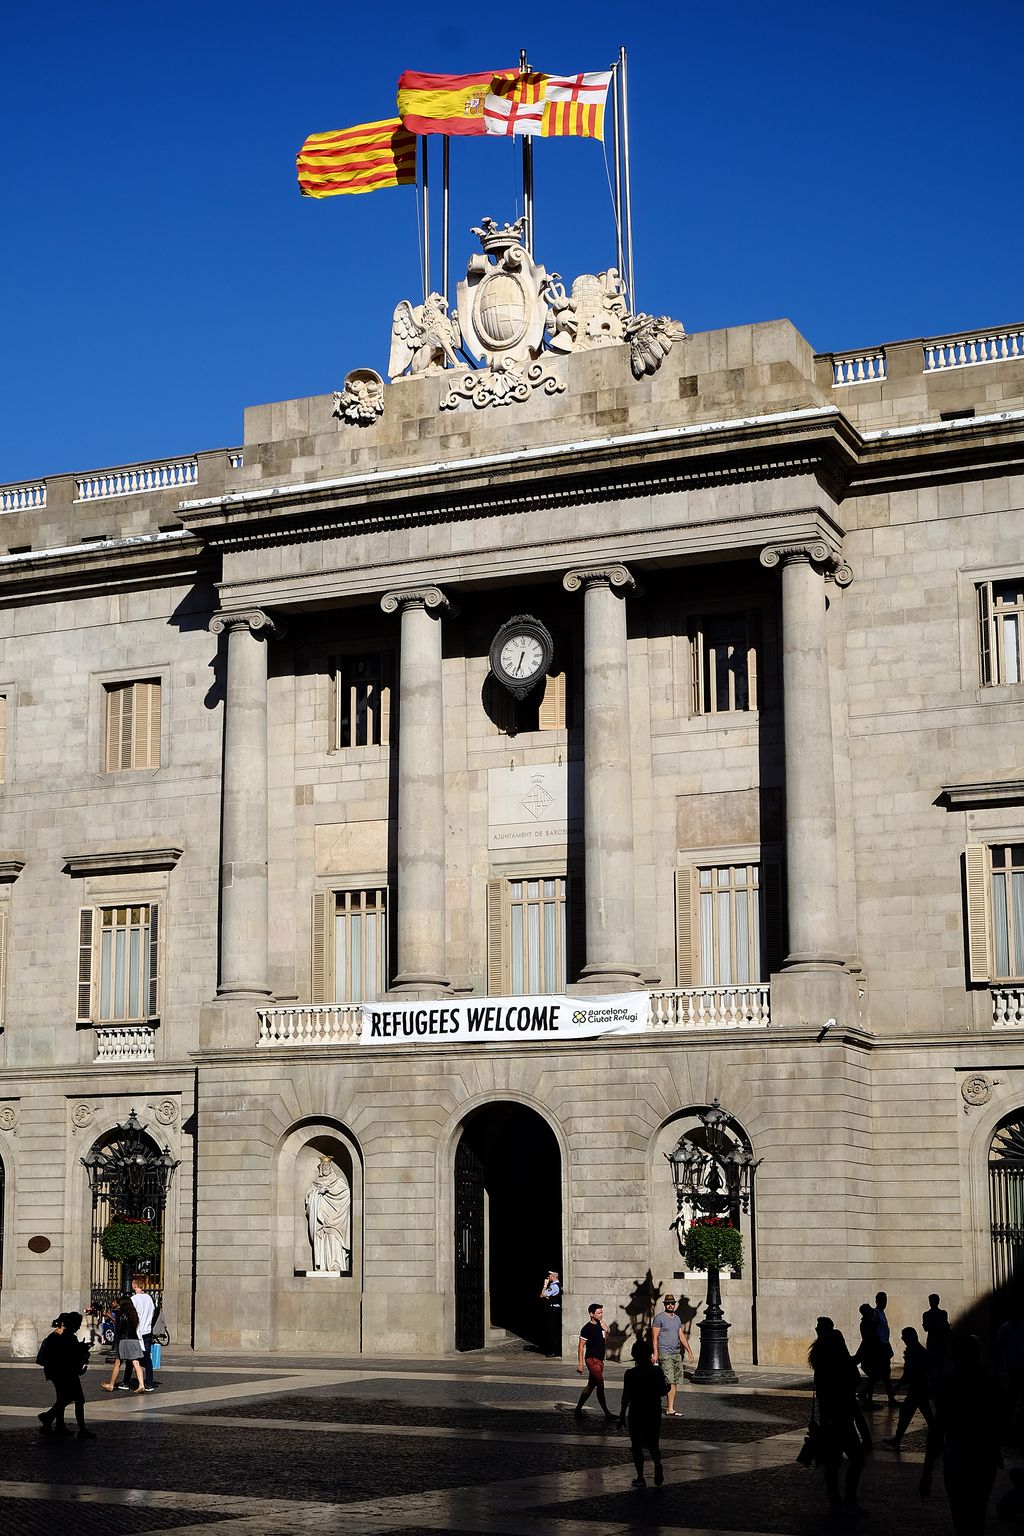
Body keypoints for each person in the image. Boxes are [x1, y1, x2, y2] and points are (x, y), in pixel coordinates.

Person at [921, 1333, 1005, 1535]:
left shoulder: (949, 1384)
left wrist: (927, 1471)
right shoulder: (990, 1381)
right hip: (983, 1454)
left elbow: (937, 1428)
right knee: (978, 1511)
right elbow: (999, 1421)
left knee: (960, 1512)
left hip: (958, 1453)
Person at [809, 1316, 866, 1516]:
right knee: (856, 1459)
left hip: (829, 1421)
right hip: (841, 1421)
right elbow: (851, 1391)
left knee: (833, 1465)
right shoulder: (839, 1367)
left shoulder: (821, 1366)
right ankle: (848, 1500)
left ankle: (837, 1501)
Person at [617, 1339, 668, 1488]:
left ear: (634, 1356)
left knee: (637, 1445)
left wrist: (621, 1415)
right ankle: (657, 1463)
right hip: (653, 1411)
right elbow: (662, 1391)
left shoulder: (630, 1374)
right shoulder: (657, 1371)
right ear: (649, 1354)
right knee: (653, 1443)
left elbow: (625, 1396)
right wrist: (667, 1387)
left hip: (636, 1412)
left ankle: (640, 1477)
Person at [37, 1312, 93, 1438]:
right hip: (67, 1373)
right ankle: (80, 1428)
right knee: (78, 1399)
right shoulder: (69, 1338)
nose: (79, 1327)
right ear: (72, 1325)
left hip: (56, 1372)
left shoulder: (59, 1336)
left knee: (62, 1398)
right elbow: (71, 1357)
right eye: (77, 1325)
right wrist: (83, 1350)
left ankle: (57, 1425)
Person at [882, 1327, 934, 1450]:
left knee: (906, 1413)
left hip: (917, 1388)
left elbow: (909, 1373)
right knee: (926, 1415)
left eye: (904, 1336)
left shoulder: (914, 1352)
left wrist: (897, 1387)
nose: (902, 1338)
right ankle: (897, 1440)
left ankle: (897, 1440)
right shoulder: (918, 1350)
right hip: (921, 1387)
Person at [651, 1293, 694, 1417]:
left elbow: (681, 1335)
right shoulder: (659, 1318)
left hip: (676, 1354)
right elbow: (654, 1337)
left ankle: (670, 1408)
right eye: (668, 1303)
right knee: (668, 1381)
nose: (670, 1305)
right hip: (664, 1353)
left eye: (672, 1303)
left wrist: (689, 1350)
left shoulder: (677, 1319)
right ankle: (654, 1401)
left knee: (674, 1381)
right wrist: (655, 1353)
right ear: (665, 1304)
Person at [575, 1303, 615, 1422]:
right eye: (599, 1313)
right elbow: (581, 1347)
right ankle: (607, 1413)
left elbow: (604, 1342)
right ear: (591, 1314)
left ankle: (577, 1410)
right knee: (600, 1385)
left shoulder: (600, 1325)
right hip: (592, 1360)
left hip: (600, 1360)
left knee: (591, 1385)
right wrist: (581, 1364)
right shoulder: (586, 1328)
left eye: (602, 1312)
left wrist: (607, 1331)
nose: (601, 1315)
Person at [100, 1295, 145, 1393]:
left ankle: (111, 1384)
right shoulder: (134, 1314)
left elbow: (119, 1330)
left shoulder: (121, 1315)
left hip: (124, 1341)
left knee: (117, 1363)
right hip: (134, 1340)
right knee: (136, 1363)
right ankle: (141, 1384)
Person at [853, 1302, 887, 1407]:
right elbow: (868, 1339)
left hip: (871, 1352)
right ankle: (866, 1396)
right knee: (875, 1375)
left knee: (874, 1376)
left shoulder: (869, 1321)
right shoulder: (866, 1324)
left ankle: (868, 1398)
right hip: (870, 1353)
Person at [130, 1277, 157, 1391]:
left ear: (135, 1285)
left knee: (136, 1357)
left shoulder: (134, 1299)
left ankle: (139, 1381)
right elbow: (153, 1311)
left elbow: (132, 1314)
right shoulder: (149, 1298)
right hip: (147, 1330)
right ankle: (149, 1382)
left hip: (138, 1331)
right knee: (147, 1357)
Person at [874, 1291, 898, 1405]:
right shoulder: (876, 1314)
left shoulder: (881, 1313)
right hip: (881, 1346)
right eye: (883, 1300)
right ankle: (890, 1398)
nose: (885, 1303)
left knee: (882, 1374)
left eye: (885, 1300)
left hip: (883, 1345)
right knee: (885, 1374)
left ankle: (865, 1392)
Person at [922, 1294, 952, 1379]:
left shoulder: (942, 1313)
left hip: (940, 1340)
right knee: (933, 1362)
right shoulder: (927, 1314)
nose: (932, 1303)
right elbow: (926, 1328)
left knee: (940, 1362)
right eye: (931, 1301)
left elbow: (945, 1327)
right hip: (933, 1340)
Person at [539, 1270, 562, 1358]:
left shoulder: (554, 1286)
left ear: (553, 1277)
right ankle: (555, 1349)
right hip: (557, 1310)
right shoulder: (559, 1285)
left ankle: (554, 1350)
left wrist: (545, 1285)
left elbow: (542, 1294)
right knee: (555, 1330)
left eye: (549, 1276)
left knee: (553, 1331)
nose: (548, 1278)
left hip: (553, 1311)